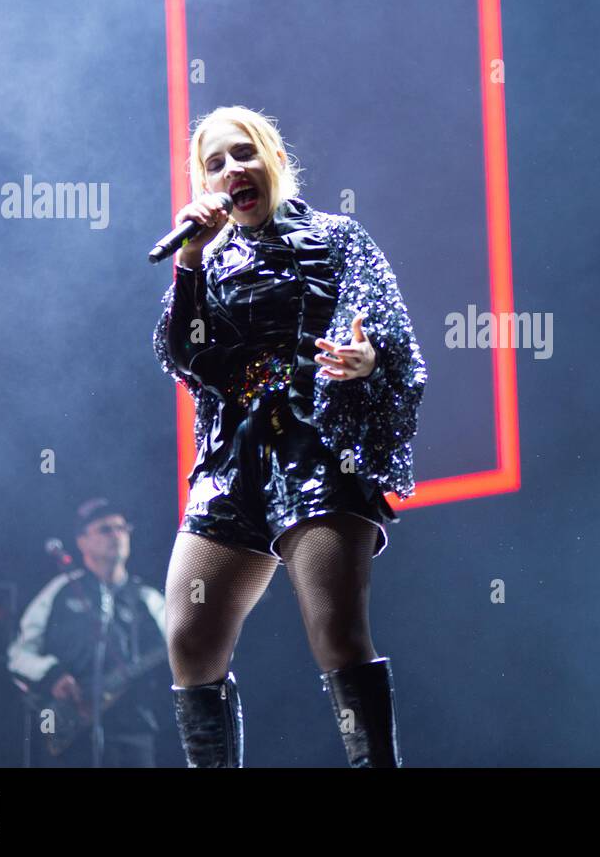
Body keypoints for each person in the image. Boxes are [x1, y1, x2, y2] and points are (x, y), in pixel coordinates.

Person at [153, 105, 427, 768]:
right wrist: (190, 256)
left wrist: (366, 362)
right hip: (234, 456)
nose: (231, 170)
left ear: (271, 157)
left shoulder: (336, 237)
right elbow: (183, 353)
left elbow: (388, 335)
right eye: (214, 163)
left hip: (318, 446)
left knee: (336, 632)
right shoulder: (208, 261)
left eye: (242, 153)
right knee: (189, 635)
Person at [8, 498, 168, 767]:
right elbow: (19, 654)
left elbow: (187, 649)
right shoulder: (60, 590)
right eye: (105, 529)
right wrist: (53, 675)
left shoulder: (148, 599)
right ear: (81, 541)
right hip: (73, 733)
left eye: (122, 528)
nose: (116, 535)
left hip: (133, 733)